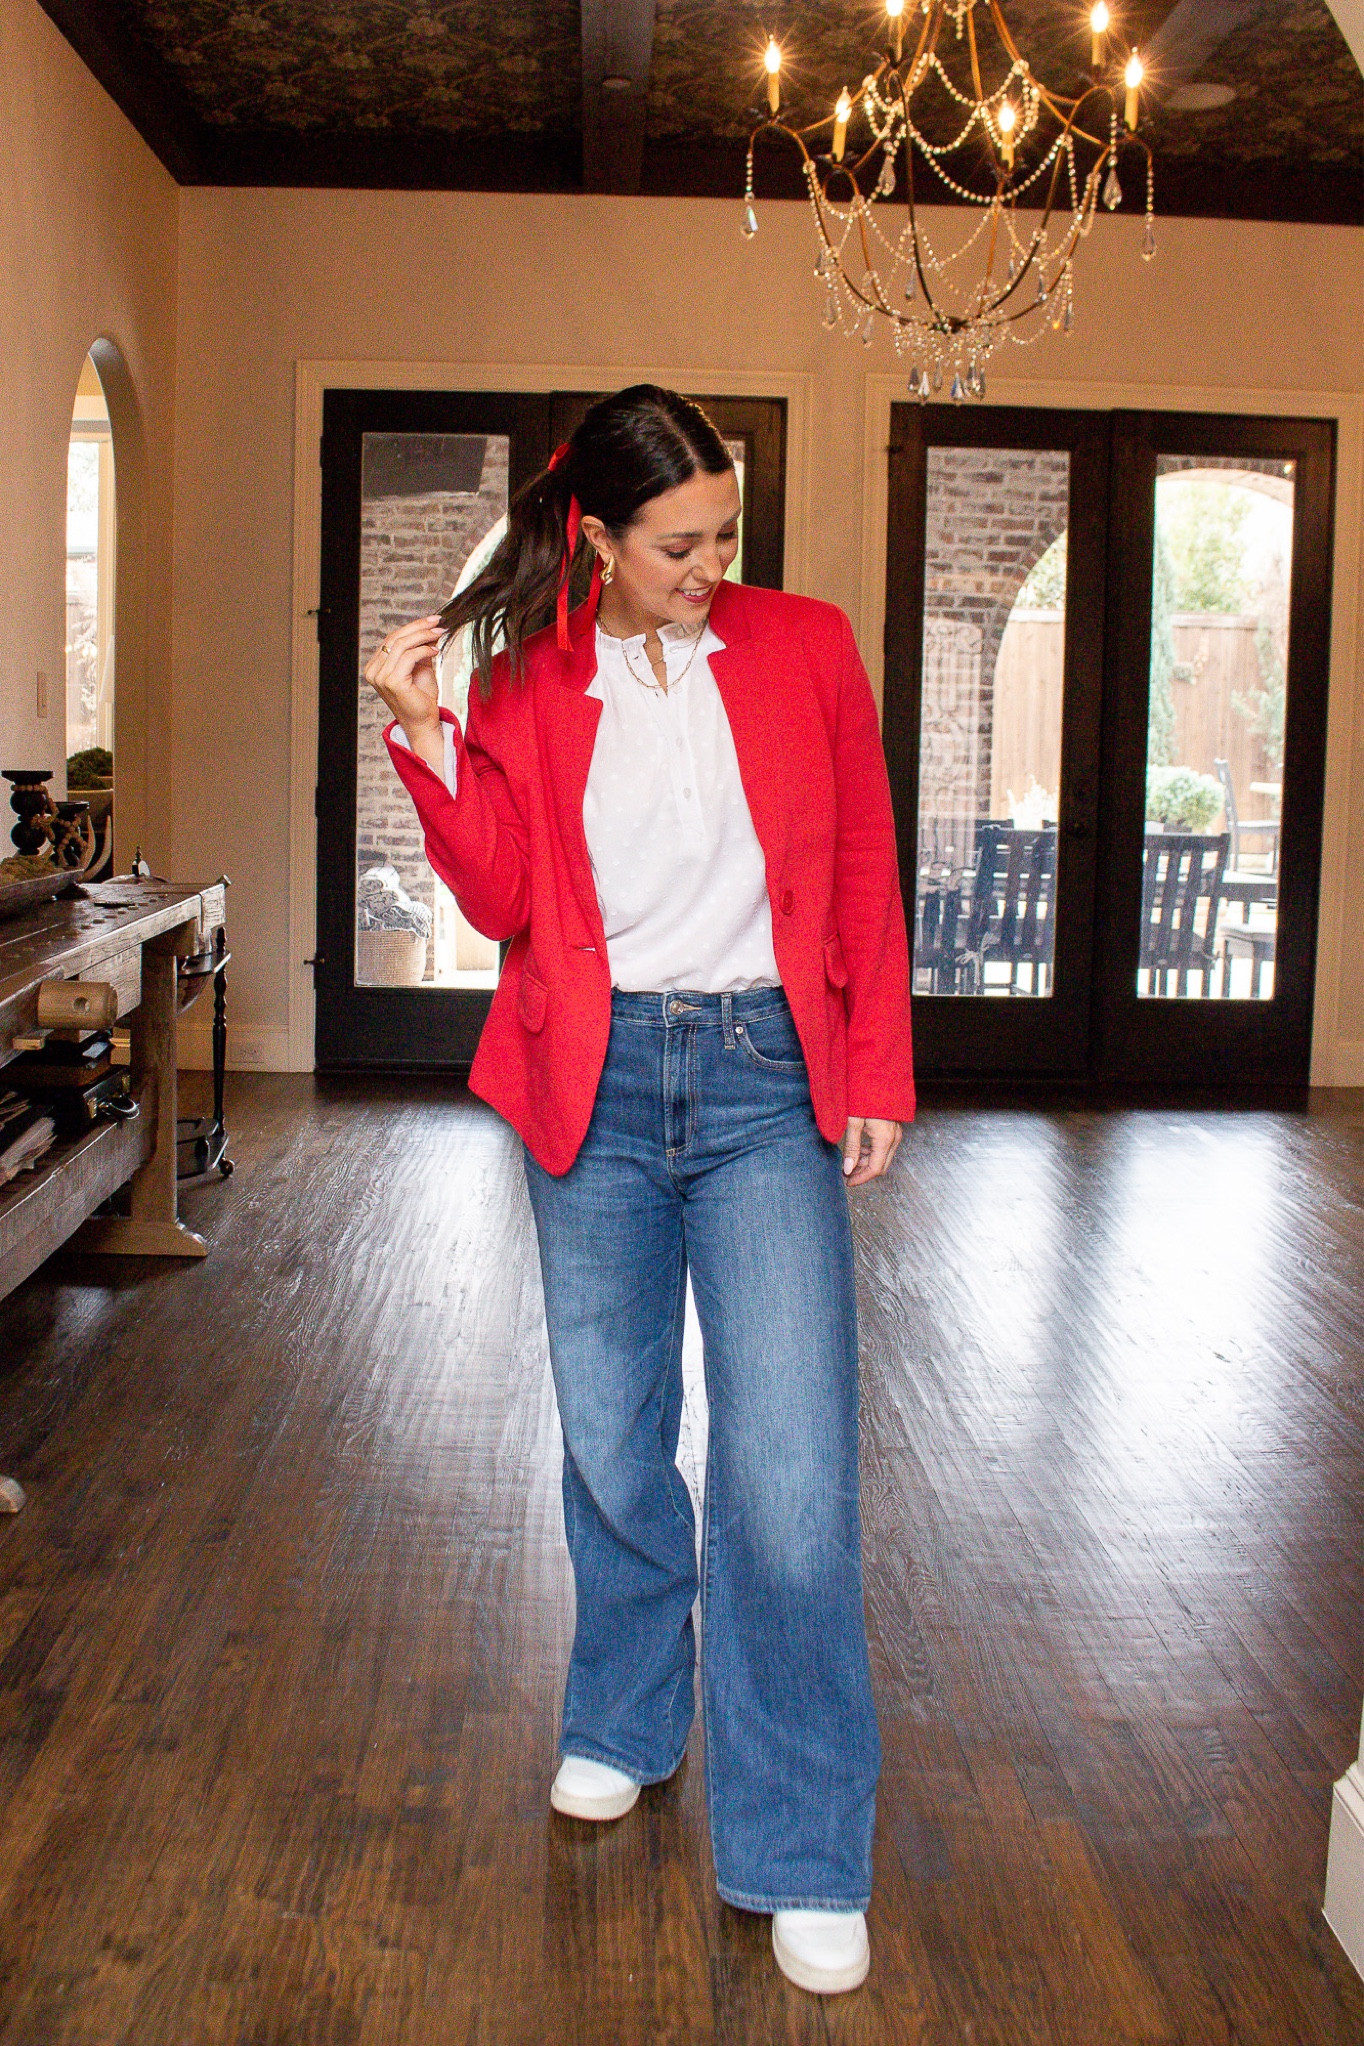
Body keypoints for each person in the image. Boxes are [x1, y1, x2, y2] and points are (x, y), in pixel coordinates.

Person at [365, 385, 914, 1997]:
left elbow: (866, 858)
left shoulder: (806, 646)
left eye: (726, 531)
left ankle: (805, 1837)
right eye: (679, 540)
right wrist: (419, 733)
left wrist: (873, 1065)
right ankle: (621, 1710)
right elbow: (503, 895)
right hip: (591, 1091)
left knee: (793, 1477)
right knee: (611, 1436)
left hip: (763, 1080)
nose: (710, 561)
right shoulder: (534, 676)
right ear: (596, 538)